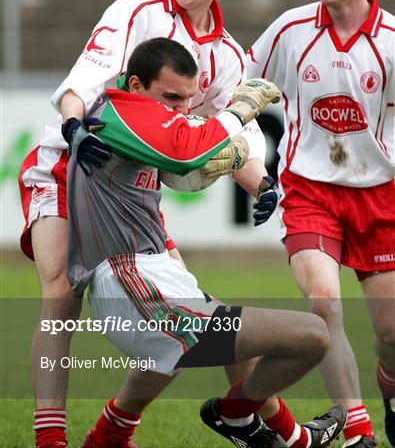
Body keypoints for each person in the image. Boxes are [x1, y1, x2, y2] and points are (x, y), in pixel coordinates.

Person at [18, 0, 278, 447]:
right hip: (72, 165)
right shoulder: (136, 10)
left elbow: (220, 139)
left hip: (135, 192)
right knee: (62, 293)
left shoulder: (227, 55)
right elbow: (80, 86)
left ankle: (121, 429)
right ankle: (49, 440)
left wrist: (263, 183)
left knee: (193, 313)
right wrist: (72, 127)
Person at [64, 36, 345, 448]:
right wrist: (239, 111)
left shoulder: (137, 117)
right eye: (170, 98)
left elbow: (182, 168)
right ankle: (234, 415)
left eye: (187, 101)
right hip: (131, 282)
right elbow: (184, 154)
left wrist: (231, 164)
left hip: (147, 275)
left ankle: (109, 438)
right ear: (137, 84)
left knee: (220, 348)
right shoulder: (120, 112)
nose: (180, 111)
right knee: (313, 336)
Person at [247, 0, 395, 448]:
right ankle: (357, 431)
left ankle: (389, 386)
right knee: (323, 302)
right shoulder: (291, 29)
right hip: (309, 190)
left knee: (390, 334)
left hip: (379, 196)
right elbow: (242, 84)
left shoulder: (392, 41)